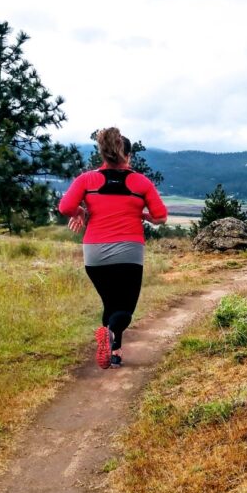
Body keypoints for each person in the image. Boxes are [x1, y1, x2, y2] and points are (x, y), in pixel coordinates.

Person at [58, 128, 168, 368]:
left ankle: (114, 352)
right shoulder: (141, 182)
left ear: (103, 154)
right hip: (129, 252)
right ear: (128, 156)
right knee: (125, 310)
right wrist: (144, 216)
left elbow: (65, 207)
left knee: (111, 304)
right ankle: (109, 334)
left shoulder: (87, 180)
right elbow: (161, 217)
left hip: (95, 254)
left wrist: (81, 212)